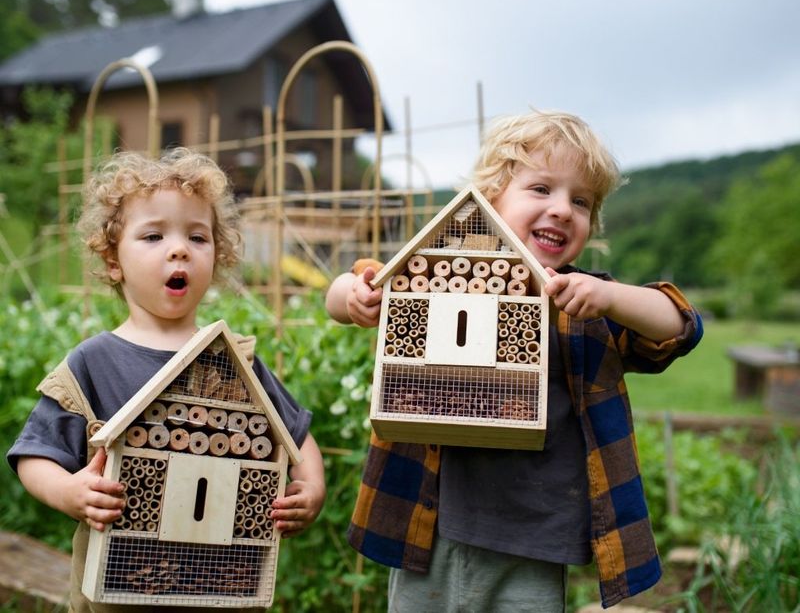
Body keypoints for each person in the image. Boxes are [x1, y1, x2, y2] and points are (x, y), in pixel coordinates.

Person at [325, 110, 703, 611]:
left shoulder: (584, 300)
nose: (563, 210)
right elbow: (353, 285)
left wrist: (610, 297)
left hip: (535, 536)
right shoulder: (444, 270)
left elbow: (681, 325)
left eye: (581, 201)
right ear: (491, 196)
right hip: (430, 523)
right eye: (542, 189)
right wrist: (354, 297)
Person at [7, 148, 326, 613]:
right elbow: (34, 456)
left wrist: (311, 488)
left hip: (224, 580)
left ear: (216, 257)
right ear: (113, 260)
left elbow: (296, 436)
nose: (179, 249)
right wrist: (70, 491)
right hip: (121, 589)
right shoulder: (95, 362)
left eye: (197, 237)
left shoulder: (231, 359)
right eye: (153, 235)